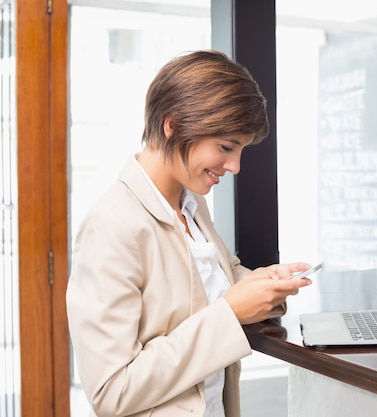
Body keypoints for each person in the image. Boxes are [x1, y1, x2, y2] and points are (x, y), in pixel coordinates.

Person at [66, 50, 312, 417]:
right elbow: (112, 391)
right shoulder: (112, 226)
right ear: (172, 125)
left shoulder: (191, 204)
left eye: (240, 150)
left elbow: (207, 283)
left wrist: (261, 283)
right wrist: (230, 313)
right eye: (226, 147)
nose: (235, 166)